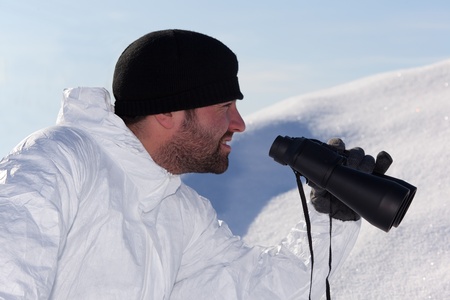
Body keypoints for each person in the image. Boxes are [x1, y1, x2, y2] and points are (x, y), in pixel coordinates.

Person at [0, 29, 389, 299]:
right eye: (224, 107)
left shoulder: (180, 211)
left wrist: (331, 218)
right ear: (168, 112)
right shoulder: (59, 162)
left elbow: (258, 290)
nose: (239, 123)